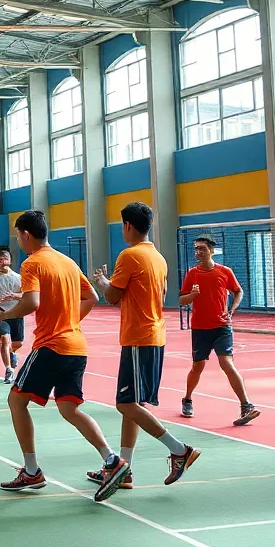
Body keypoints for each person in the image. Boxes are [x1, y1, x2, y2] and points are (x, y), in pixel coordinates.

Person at [0, 211, 130, 501]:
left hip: (52, 346)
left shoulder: (32, 263)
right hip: (76, 346)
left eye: (18, 236)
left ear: (26, 235)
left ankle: (32, 470)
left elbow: (33, 302)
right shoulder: (66, 261)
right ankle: (111, 460)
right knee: (69, 409)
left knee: (16, 401)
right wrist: (70, 320)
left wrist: (5, 315)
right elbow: (92, 296)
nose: (18, 242)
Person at [91, 201, 200, 489]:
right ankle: (125, 470)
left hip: (139, 337)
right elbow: (159, 294)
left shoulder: (129, 256)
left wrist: (102, 281)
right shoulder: (159, 258)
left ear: (128, 225)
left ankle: (179, 449)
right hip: (153, 335)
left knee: (124, 403)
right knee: (132, 405)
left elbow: (113, 296)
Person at [179, 235, 260, 425]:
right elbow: (182, 301)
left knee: (227, 363)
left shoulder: (224, 272)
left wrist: (232, 310)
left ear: (211, 251)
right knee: (198, 367)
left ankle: (246, 405)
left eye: (202, 249)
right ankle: (188, 399)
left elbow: (238, 291)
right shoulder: (192, 274)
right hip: (200, 327)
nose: (198, 252)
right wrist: (192, 294)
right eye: (196, 249)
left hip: (222, 326)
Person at [0, 248, 24, 384]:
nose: (1, 262)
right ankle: (9, 370)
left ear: (10, 260)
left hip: (16, 312)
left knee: (18, 343)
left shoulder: (18, 278)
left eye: (4, 259)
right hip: (0, 314)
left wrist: (14, 295)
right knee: (4, 339)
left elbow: (24, 295)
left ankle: (12, 353)